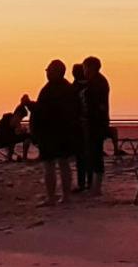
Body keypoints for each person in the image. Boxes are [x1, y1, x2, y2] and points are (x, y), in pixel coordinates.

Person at [32, 59, 81, 205]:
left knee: (52, 165)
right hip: (61, 133)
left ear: (57, 72)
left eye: (49, 71)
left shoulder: (56, 89)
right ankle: (62, 196)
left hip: (54, 133)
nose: (47, 73)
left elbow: (44, 111)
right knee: (61, 164)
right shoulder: (67, 89)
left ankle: (54, 197)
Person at [81, 56, 110, 194]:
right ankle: (94, 185)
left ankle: (96, 187)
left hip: (95, 123)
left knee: (95, 153)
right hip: (95, 122)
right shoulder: (94, 82)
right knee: (92, 153)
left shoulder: (97, 83)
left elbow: (96, 106)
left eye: (85, 67)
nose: (83, 70)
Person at [71, 62, 92, 192]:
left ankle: (82, 183)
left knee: (81, 156)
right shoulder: (91, 85)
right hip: (88, 123)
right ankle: (89, 182)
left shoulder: (74, 88)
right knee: (88, 155)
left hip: (79, 125)